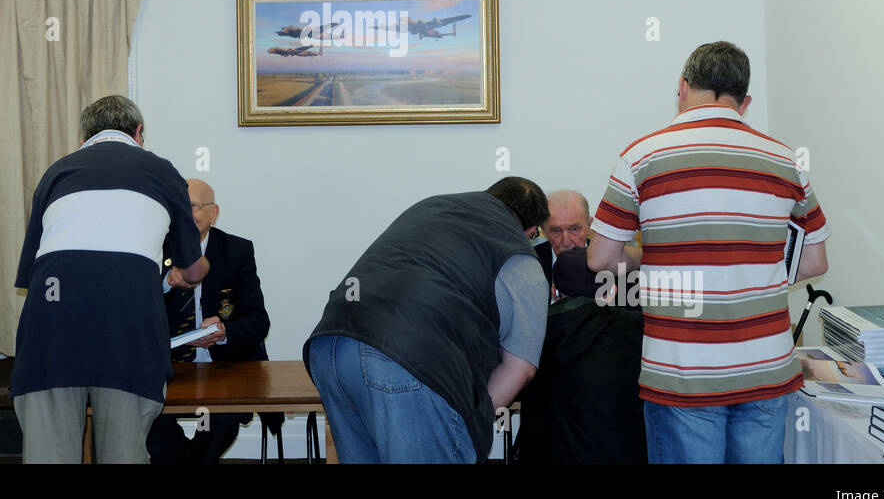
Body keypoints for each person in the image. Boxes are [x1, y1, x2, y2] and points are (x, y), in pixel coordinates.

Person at [586, 41, 830, 464]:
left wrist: (659, 263)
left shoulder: (641, 157)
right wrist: (749, 275)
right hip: (766, 368)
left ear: (682, 87)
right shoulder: (786, 161)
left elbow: (600, 260)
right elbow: (814, 262)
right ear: (745, 101)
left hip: (683, 373)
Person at [9, 96, 208, 464]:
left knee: (48, 456)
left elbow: (30, 273)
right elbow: (193, 270)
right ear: (138, 133)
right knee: (123, 453)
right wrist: (188, 273)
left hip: (50, 328)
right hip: (127, 326)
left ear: (85, 137)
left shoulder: (56, 171)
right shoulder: (162, 171)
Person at [305, 177, 549, 464]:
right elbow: (520, 369)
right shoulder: (519, 255)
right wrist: (471, 418)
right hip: (404, 360)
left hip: (330, 345)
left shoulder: (432, 207)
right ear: (531, 231)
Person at [147, 178, 275, 464]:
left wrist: (225, 331)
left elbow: (258, 321)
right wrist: (166, 282)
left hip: (221, 369)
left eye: (193, 206)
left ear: (213, 212)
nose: (185, 214)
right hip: (167, 369)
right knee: (147, 416)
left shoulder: (237, 251)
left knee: (224, 415)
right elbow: (132, 311)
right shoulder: (154, 249)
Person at [534, 189, 593, 302]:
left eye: (574, 229)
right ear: (544, 230)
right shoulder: (529, 264)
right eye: (556, 231)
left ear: (589, 225)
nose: (566, 242)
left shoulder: (611, 264)